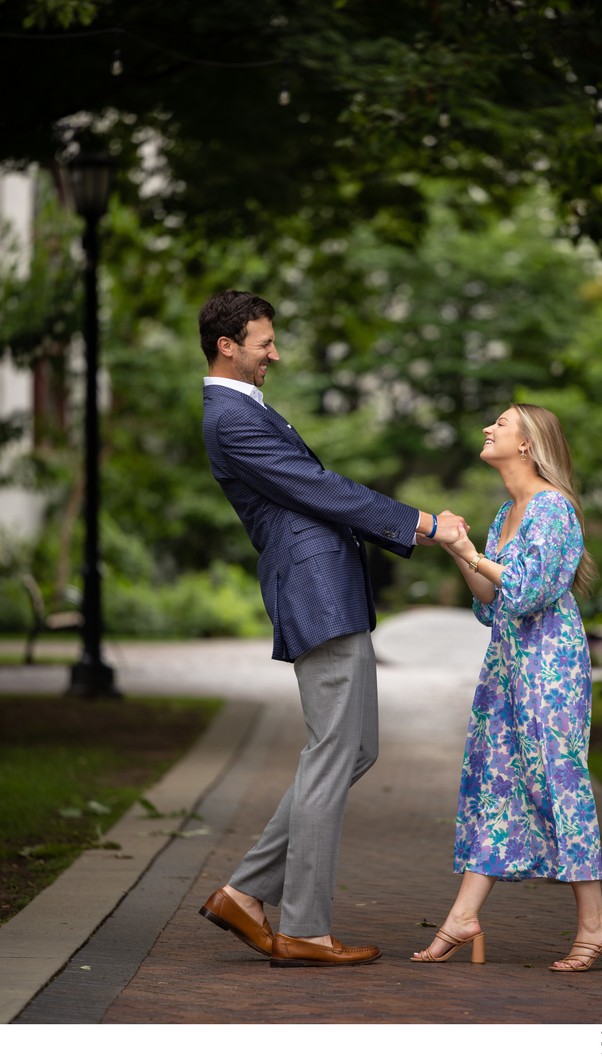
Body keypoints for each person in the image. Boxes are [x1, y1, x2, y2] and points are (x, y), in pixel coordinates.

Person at [197, 289, 465, 968]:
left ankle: (245, 892)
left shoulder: (244, 409)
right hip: (314, 589)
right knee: (332, 749)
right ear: (227, 345)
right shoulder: (231, 417)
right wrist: (420, 523)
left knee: (354, 746)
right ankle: (305, 927)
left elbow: (317, 487)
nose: (274, 354)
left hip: (326, 588)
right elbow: (321, 490)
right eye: (264, 343)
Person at [411, 403, 602, 973]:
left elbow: (527, 592)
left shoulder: (553, 509)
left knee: (559, 781)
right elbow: (490, 604)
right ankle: (462, 917)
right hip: (507, 663)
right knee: (495, 782)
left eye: (501, 424)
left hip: (551, 666)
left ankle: (595, 923)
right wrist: (461, 552)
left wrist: (474, 554)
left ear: (528, 444)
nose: (488, 428)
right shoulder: (507, 509)